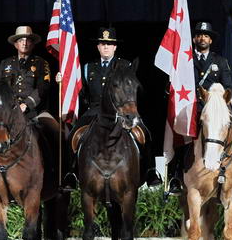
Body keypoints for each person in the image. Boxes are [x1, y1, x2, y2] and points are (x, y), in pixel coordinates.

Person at [166, 22, 232, 195]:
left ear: (211, 40)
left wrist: (216, 98)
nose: (202, 38)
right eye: (199, 35)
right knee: (180, 134)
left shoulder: (220, 62)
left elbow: (228, 86)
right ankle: (175, 177)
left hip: (216, 109)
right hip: (194, 109)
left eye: (206, 35)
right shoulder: (186, 61)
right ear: (194, 38)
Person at [0, 26, 65, 196]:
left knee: (58, 133)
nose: (24, 43)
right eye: (21, 40)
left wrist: (27, 104)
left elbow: (43, 88)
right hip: (9, 115)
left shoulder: (41, 63)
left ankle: (60, 177)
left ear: (32, 43)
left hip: (36, 112)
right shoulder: (5, 64)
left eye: (28, 40)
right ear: (15, 44)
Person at [68, 26, 162, 187]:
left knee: (144, 133)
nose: (106, 46)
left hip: (120, 111)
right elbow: (83, 93)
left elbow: (132, 90)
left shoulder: (125, 66)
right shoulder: (87, 67)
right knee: (74, 134)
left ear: (115, 47)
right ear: (98, 46)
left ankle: (150, 171)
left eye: (109, 44)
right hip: (94, 111)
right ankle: (70, 173)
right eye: (102, 43)